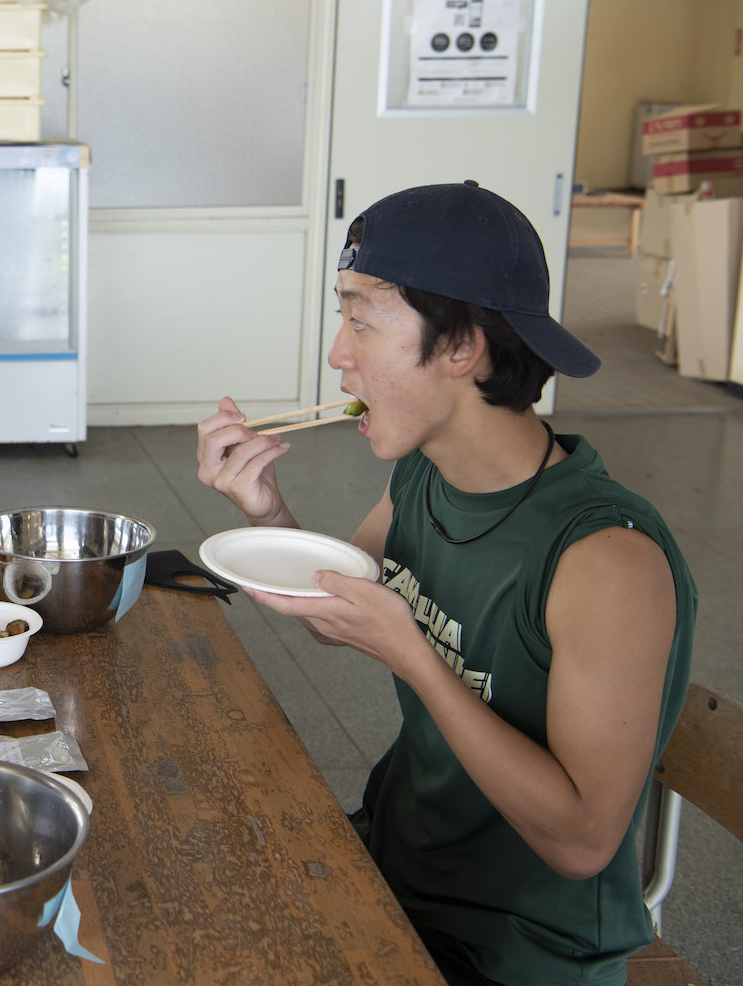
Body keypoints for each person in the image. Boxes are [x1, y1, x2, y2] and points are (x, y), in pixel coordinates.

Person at [195, 181, 696, 986]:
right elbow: (343, 611)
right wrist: (266, 512)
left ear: (462, 347)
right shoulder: (425, 477)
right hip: (399, 864)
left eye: (361, 318)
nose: (337, 353)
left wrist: (417, 658)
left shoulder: (607, 557)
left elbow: (582, 843)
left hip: (516, 941)